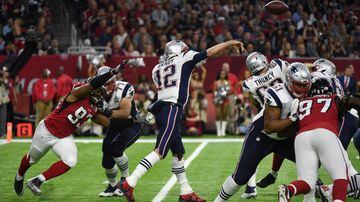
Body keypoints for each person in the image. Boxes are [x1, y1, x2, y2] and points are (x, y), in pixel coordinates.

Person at [119, 39, 245, 202]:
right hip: (172, 107)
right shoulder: (184, 58)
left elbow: (177, 78)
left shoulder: (157, 68)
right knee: (161, 150)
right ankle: (129, 183)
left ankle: (186, 192)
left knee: (178, 152)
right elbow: (210, 52)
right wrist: (230, 43)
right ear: (180, 50)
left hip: (161, 109)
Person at [13, 61, 127, 197]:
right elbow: (91, 86)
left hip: (63, 136)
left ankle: (37, 181)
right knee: (31, 159)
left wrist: (128, 120)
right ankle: (19, 176)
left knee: (70, 160)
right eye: (102, 89)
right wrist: (113, 72)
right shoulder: (79, 90)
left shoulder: (95, 105)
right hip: (47, 131)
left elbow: (107, 123)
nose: (103, 93)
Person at [214, 62, 311, 201]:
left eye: (305, 85)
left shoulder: (308, 91)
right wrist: (293, 119)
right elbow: (270, 127)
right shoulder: (277, 93)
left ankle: (314, 192)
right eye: (299, 85)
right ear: (289, 81)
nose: (303, 88)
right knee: (241, 177)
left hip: (285, 136)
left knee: (311, 163)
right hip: (262, 134)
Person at [278, 76, 360, 202]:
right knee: (341, 177)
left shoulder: (300, 103)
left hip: (301, 138)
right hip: (325, 133)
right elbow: (350, 100)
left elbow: (287, 129)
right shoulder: (334, 98)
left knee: (307, 182)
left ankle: (289, 189)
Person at [240, 52, 288, 198]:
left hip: (269, 117)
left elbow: (254, 102)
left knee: (252, 153)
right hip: (289, 113)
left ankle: (251, 188)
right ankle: (314, 182)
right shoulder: (279, 65)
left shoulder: (248, 84)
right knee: (300, 149)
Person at [98, 66, 145, 197]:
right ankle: (112, 186)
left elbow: (125, 113)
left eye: (107, 84)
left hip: (132, 123)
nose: (104, 88)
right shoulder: (95, 92)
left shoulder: (124, 88)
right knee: (106, 153)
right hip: (114, 124)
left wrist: (106, 111)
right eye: (102, 84)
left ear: (113, 82)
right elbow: (100, 120)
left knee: (116, 149)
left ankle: (125, 182)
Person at [213, 70, 231, 136]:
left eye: (223, 74)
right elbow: (214, 92)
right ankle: (218, 131)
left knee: (224, 115)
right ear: (219, 74)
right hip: (218, 99)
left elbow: (229, 91)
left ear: (225, 75)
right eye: (221, 73)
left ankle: (223, 131)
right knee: (218, 115)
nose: (222, 75)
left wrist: (225, 93)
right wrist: (215, 98)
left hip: (226, 99)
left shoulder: (228, 82)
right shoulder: (216, 82)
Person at [0, 66, 10, 137]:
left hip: (3, 101)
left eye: (6, 71)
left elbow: (7, 86)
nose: (6, 73)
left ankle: (2, 133)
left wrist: (3, 77)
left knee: (3, 118)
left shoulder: (6, 80)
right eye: (4, 71)